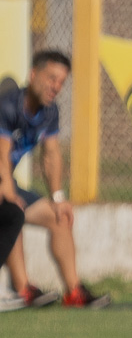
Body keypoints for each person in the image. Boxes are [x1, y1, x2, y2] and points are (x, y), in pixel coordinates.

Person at [1, 51, 109, 309]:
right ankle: (23, 289)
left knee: (59, 216)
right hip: (1, 179)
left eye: (61, 82)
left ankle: (74, 293)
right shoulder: (8, 105)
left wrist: (58, 198)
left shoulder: (50, 113)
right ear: (33, 74)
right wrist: (7, 188)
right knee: (12, 210)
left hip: (5, 181)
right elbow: (1, 153)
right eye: (51, 78)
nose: (56, 87)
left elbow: (51, 155)